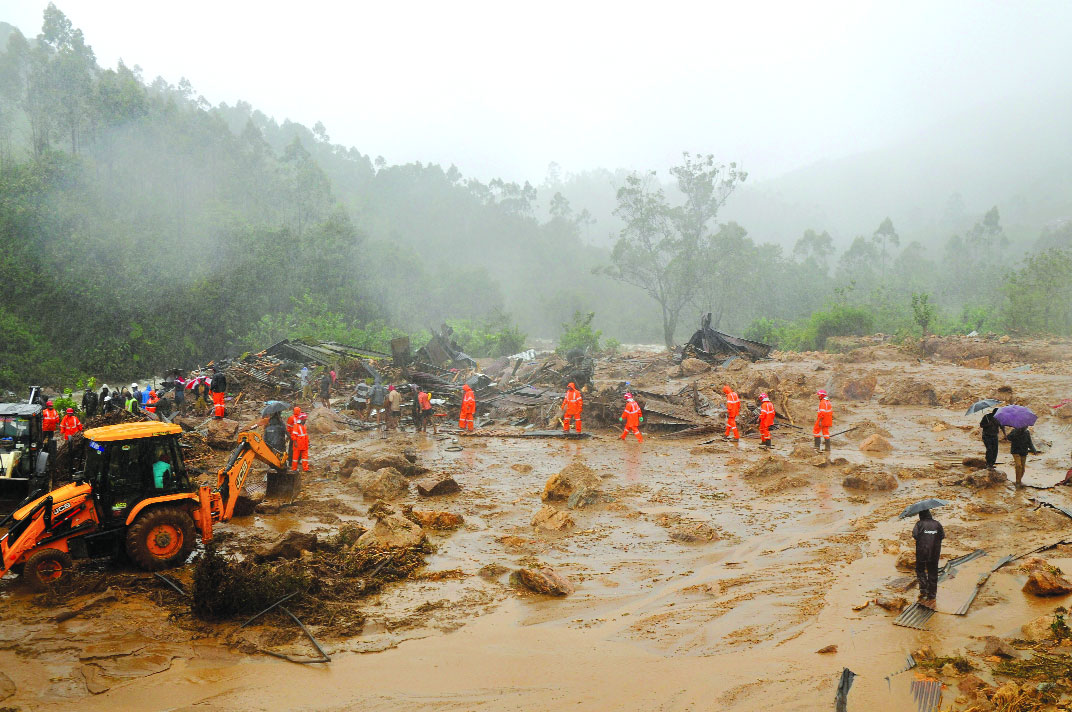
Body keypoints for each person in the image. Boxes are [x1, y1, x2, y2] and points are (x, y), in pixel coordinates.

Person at [912, 509, 944, 609]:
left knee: (920, 570)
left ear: (921, 515)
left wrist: (924, 536)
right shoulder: (937, 524)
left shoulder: (919, 524)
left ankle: (924, 591)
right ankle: (932, 597)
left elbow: (915, 535)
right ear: (930, 515)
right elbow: (942, 536)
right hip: (935, 552)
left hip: (922, 552)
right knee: (933, 572)